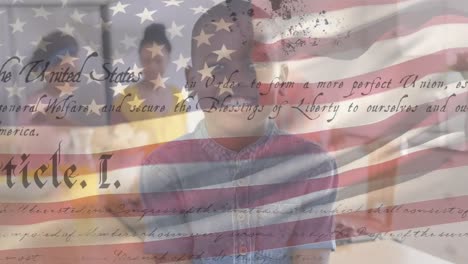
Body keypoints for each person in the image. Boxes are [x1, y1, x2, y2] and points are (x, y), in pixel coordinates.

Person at [140, 1, 338, 263]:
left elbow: (311, 258)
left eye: (258, 62)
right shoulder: (164, 168)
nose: (239, 80)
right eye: (218, 66)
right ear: (192, 80)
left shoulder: (313, 166)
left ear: (283, 77)